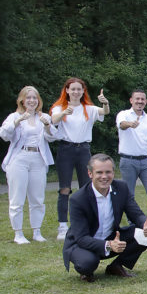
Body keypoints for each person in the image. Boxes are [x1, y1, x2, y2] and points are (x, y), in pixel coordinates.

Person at [62, 153, 147, 281]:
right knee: (88, 263)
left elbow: (135, 213)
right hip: (83, 244)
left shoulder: (121, 188)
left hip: (111, 237)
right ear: (90, 174)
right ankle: (87, 269)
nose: (104, 177)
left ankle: (116, 266)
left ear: (113, 173)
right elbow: (81, 238)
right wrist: (109, 245)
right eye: (99, 172)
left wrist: (144, 224)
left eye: (108, 172)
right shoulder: (78, 199)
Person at [50, 78, 110, 241]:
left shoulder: (88, 108)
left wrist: (105, 103)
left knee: (87, 187)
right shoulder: (59, 107)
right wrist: (64, 113)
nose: (76, 92)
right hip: (66, 149)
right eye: (73, 89)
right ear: (67, 91)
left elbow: (105, 112)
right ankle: (63, 226)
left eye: (79, 89)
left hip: (83, 149)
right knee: (64, 188)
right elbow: (53, 121)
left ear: (83, 92)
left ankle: (88, 223)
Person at [0, 86, 57, 244]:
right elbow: (4, 134)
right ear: (22, 101)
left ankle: (37, 232)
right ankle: (18, 234)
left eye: (35, 98)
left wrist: (47, 125)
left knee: (38, 198)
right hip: (19, 158)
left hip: (38, 158)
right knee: (17, 198)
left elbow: (53, 137)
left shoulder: (43, 116)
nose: (32, 101)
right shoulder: (14, 116)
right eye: (29, 98)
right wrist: (17, 121)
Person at [116, 89, 147, 228]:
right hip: (128, 160)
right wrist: (130, 124)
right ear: (131, 100)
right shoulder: (123, 114)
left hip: (146, 161)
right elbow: (122, 125)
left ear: (146, 102)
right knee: (129, 194)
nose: (140, 101)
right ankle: (133, 221)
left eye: (142, 99)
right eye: (137, 99)